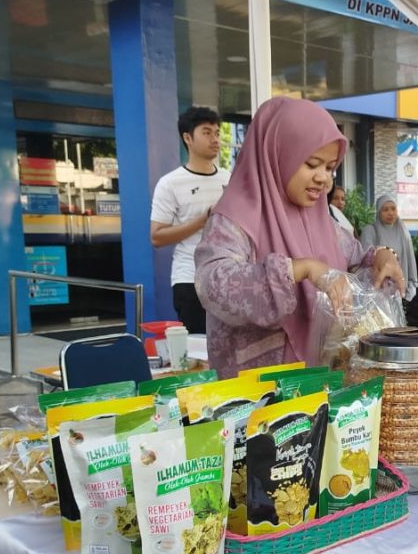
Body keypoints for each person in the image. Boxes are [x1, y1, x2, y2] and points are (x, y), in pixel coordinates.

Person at [194, 97, 404, 378]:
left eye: (330, 168)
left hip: (319, 383)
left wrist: (382, 255)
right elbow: (212, 284)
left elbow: (355, 256)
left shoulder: (319, 220)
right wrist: (299, 269)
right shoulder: (234, 219)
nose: (324, 179)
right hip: (259, 394)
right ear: (277, 155)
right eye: (312, 164)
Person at [150, 106, 230, 334]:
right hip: (190, 279)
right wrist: (202, 219)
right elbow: (156, 236)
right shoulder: (170, 183)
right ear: (187, 138)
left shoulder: (230, 179)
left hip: (228, 278)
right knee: (198, 348)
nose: (215, 139)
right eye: (207, 132)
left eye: (217, 132)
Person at [361, 194, 417, 301]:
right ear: (378, 212)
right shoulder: (370, 230)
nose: (390, 213)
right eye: (385, 209)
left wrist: (411, 284)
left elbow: (410, 259)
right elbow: (365, 257)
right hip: (376, 292)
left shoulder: (402, 232)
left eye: (393, 209)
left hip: (398, 292)